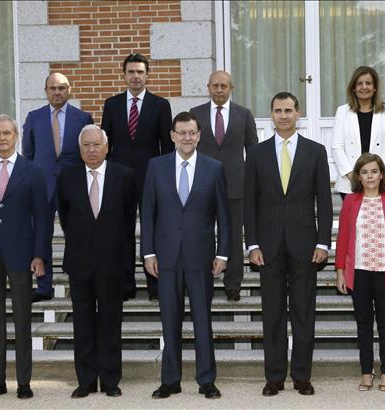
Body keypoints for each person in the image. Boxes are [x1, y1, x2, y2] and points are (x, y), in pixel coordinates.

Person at [244, 92, 333, 397]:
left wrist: (323, 242)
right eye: (278, 110)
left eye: (288, 110)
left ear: (298, 114)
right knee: (272, 314)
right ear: (271, 115)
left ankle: (302, 376)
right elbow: (249, 203)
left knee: (303, 313)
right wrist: (252, 244)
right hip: (267, 247)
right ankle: (274, 377)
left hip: (305, 245)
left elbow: (324, 201)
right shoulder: (256, 153)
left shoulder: (315, 151)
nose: (283, 115)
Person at [141, 112, 231, 399]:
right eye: (182, 133)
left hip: (201, 256)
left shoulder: (214, 168)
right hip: (165, 256)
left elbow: (224, 217)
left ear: (199, 135)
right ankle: (170, 380)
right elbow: (148, 213)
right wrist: (148, 253)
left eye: (192, 132)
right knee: (169, 320)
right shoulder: (156, 167)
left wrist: (223, 254)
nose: (187, 137)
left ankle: (207, 380)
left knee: (203, 320)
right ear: (172, 136)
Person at [0, 115, 49, 400]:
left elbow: (42, 217)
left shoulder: (33, 171)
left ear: (15, 136)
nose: (2, 138)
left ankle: (24, 382)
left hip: (22, 255)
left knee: (22, 320)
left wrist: (40, 254)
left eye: (7, 133)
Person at [57, 125, 137, 398]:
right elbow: (66, 218)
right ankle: (86, 380)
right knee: (82, 323)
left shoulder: (124, 176)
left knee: (110, 322)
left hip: (112, 263)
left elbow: (128, 224)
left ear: (106, 147)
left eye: (96, 144)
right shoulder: (67, 177)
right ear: (79, 150)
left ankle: (110, 379)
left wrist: (127, 265)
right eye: (86, 145)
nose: (91, 150)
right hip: (79, 262)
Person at [335, 153, 385, 392]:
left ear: (382, 175)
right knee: (364, 325)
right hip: (358, 272)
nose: (370, 176)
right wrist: (340, 271)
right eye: (365, 172)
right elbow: (343, 237)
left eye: (374, 171)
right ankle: (366, 372)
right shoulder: (350, 201)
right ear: (358, 176)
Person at [101, 53, 173, 301]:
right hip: (119, 179)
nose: (135, 76)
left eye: (140, 72)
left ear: (147, 75)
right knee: (122, 232)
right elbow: (105, 145)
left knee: (153, 231)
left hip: (151, 178)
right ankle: (125, 286)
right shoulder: (111, 104)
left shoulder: (160, 105)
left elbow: (167, 147)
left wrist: (166, 180)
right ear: (124, 75)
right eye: (131, 72)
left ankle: (155, 287)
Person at [22, 72, 94, 302]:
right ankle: (43, 287)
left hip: (73, 185)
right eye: (52, 88)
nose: (57, 92)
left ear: (69, 90)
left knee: (78, 234)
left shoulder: (83, 118)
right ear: (46, 91)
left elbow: (88, 153)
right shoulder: (34, 117)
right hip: (42, 185)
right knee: (41, 234)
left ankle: (80, 281)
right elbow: (28, 154)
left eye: (62, 87)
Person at [190, 70, 258, 301]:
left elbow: (253, 151)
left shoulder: (244, 114)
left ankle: (233, 284)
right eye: (215, 85)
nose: (219, 90)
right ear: (208, 87)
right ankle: (203, 281)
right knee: (202, 234)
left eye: (224, 86)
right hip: (203, 185)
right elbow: (188, 148)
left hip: (236, 185)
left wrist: (253, 183)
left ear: (231, 88)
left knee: (234, 236)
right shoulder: (196, 113)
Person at [331, 66, 385, 199]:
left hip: (381, 183)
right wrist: (353, 176)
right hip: (350, 184)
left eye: (368, 83)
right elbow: (336, 147)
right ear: (353, 88)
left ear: (375, 88)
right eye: (359, 83)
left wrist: (378, 175)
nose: (364, 87)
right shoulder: (342, 111)